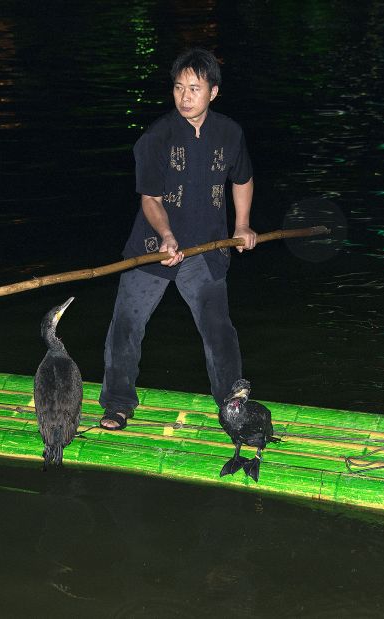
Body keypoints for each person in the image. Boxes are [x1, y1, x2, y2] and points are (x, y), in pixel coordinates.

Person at [99, 47, 256, 430]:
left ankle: (232, 406)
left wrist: (242, 225)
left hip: (208, 249)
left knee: (218, 329)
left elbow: (242, 178)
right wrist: (166, 235)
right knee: (127, 324)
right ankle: (118, 402)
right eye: (178, 88)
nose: (185, 97)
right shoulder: (156, 138)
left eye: (195, 88)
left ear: (213, 92)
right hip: (153, 249)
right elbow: (150, 199)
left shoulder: (230, 133)